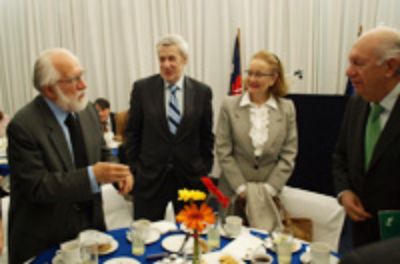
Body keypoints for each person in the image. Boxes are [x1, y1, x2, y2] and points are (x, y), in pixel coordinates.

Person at [6, 48, 134, 263]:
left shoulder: (87, 110)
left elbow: (102, 152)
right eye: (73, 80)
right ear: (49, 90)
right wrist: (93, 176)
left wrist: (116, 173)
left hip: (90, 231)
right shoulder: (23, 126)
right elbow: (38, 186)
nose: (83, 85)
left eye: (82, 75)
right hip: (46, 237)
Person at [125, 34, 214, 221]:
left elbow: (206, 136)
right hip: (149, 179)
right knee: (146, 238)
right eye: (162, 59)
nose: (166, 64)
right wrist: (135, 170)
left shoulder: (202, 92)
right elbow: (132, 133)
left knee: (191, 239)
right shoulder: (142, 89)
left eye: (172, 58)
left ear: (184, 59)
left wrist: (203, 169)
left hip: (190, 180)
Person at [333, 26, 400, 247]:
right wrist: (344, 191)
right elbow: (340, 156)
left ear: (391, 66)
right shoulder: (357, 103)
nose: (348, 72)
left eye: (358, 64)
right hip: (361, 235)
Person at [216, 50, 298, 226]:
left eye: (259, 74)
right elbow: (223, 151)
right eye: (250, 73)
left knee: (264, 247)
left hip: (269, 195)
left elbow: (289, 153)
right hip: (231, 191)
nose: (252, 79)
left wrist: (270, 188)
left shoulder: (287, 108)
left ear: (273, 79)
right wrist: (240, 187)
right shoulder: (229, 106)